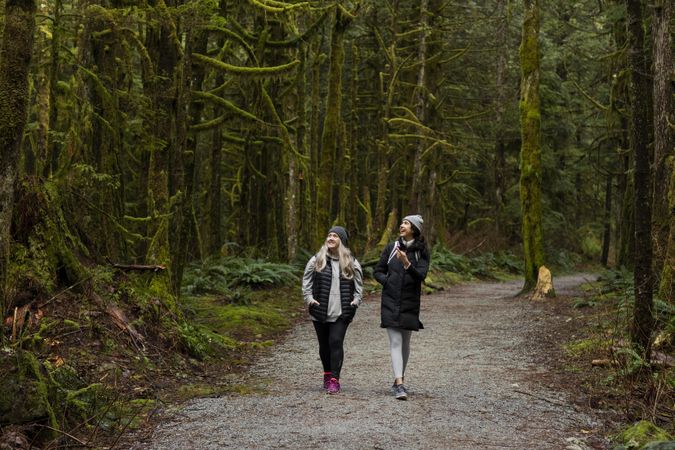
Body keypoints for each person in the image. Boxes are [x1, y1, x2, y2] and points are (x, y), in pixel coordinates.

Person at [373, 214, 430, 400]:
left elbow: (421, 276)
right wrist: (387, 281)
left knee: (405, 343)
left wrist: (407, 263)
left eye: (406, 223)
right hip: (390, 300)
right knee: (395, 342)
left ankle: (400, 378)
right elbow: (377, 271)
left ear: (414, 228)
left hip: (410, 302)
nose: (402, 225)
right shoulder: (391, 247)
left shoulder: (421, 251)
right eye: (402, 222)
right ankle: (399, 384)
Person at [302, 226, 363, 395]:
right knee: (324, 345)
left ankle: (335, 380)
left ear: (341, 241)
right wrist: (309, 299)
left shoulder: (351, 262)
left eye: (335, 236)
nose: (330, 238)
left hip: (342, 311)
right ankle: (327, 374)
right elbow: (306, 281)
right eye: (329, 235)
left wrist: (356, 301)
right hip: (319, 310)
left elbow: (359, 285)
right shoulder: (316, 260)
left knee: (335, 342)